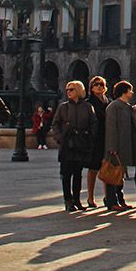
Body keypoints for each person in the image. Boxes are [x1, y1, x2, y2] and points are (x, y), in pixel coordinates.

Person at [52, 81, 96, 212]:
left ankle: (77, 199)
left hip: (81, 144)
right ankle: (68, 200)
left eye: (71, 89)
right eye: (67, 90)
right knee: (66, 174)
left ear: (78, 91)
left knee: (78, 174)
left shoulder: (87, 107)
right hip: (67, 145)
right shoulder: (63, 107)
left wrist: (90, 137)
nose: (68, 92)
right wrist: (60, 138)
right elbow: (55, 124)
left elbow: (93, 123)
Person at [104, 81, 136, 211]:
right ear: (125, 91)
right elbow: (110, 128)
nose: (132, 93)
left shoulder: (127, 106)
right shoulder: (114, 107)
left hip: (125, 145)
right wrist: (111, 147)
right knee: (112, 175)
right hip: (116, 147)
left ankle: (120, 200)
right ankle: (111, 201)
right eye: (130, 90)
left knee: (119, 175)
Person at [85, 77, 109, 208]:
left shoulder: (108, 102)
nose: (99, 87)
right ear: (91, 88)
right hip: (95, 139)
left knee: (107, 168)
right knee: (93, 169)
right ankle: (90, 197)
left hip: (107, 138)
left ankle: (107, 196)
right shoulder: (89, 103)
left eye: (102, 84)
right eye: (96, 85)